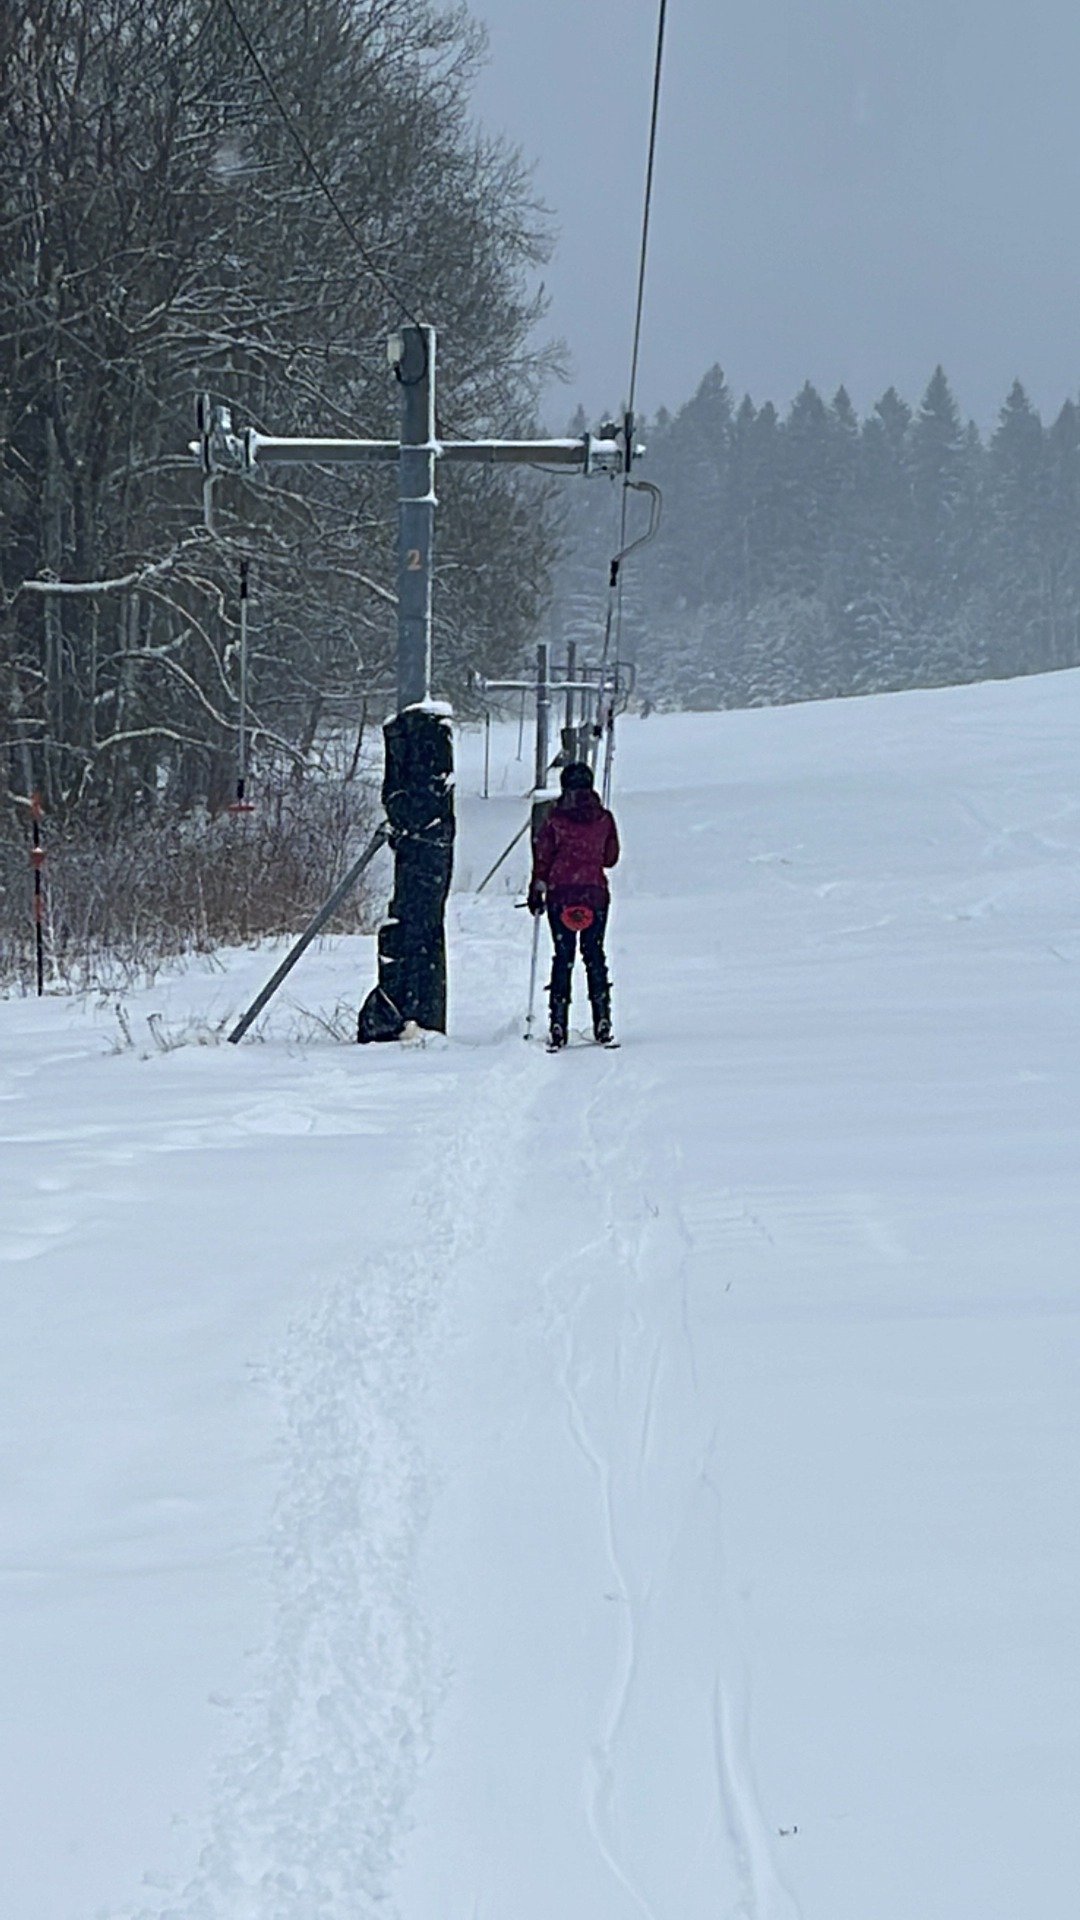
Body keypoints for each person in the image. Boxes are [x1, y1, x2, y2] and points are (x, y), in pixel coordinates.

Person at [527, 761, 620, 1049]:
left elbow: (542, 857)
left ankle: (558, 1022)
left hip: (561, 894)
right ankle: (602, 1018)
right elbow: (610, 858)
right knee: (594, 954)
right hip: (594, 894)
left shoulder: (555, 820)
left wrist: (537, 889)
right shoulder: (603, 818)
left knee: (563, 956)